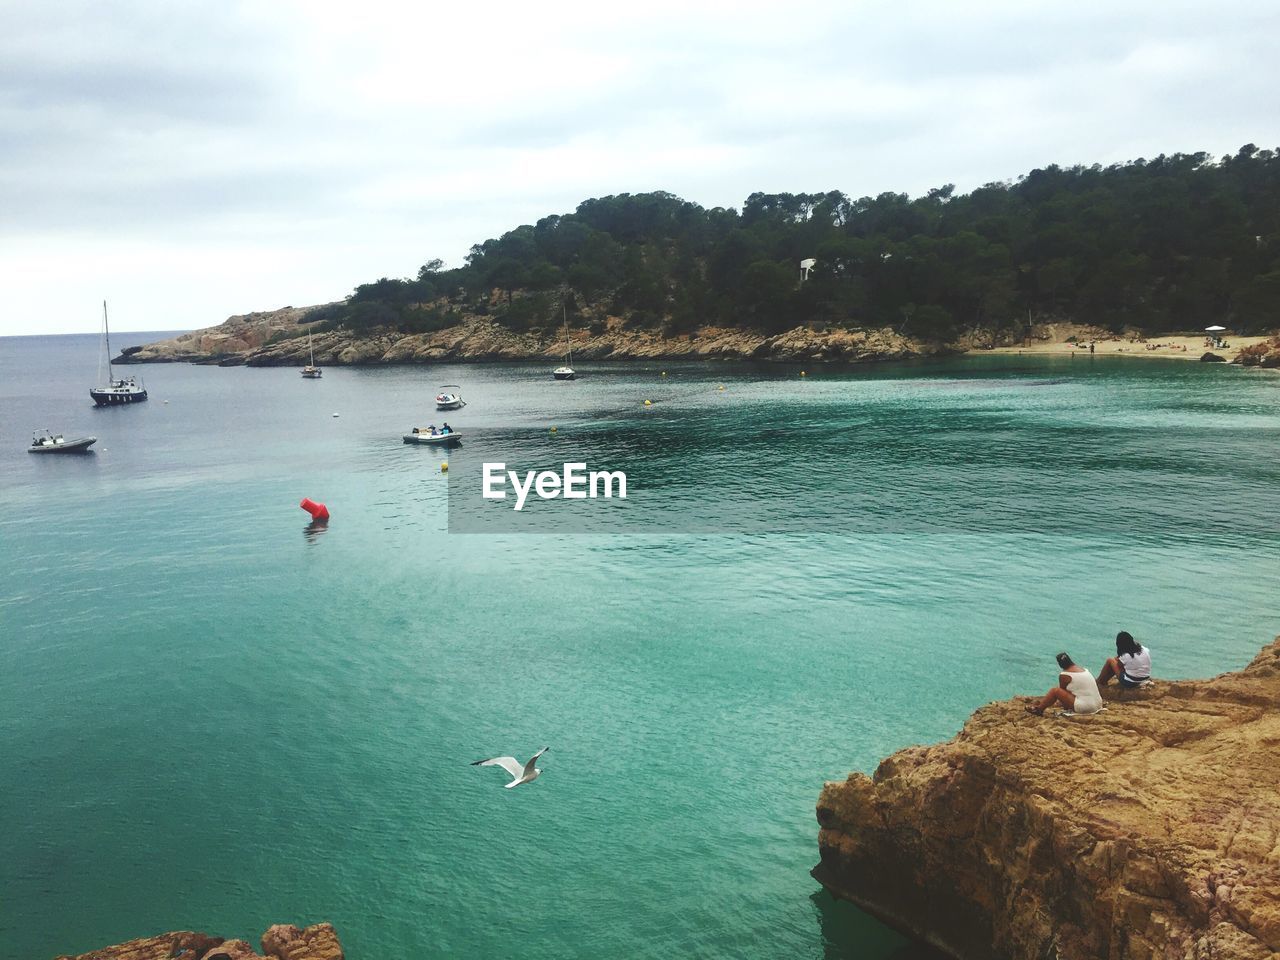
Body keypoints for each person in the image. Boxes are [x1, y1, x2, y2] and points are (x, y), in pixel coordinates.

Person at [1025, 652, 1103, 716]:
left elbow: (1062, 692)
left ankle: (1039, 710)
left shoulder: (1065, 675)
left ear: (1060, 664)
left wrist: (1066, 708)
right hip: (1098, 704)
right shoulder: (1084, 670)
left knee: (1055, 691)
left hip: (1086, 707)